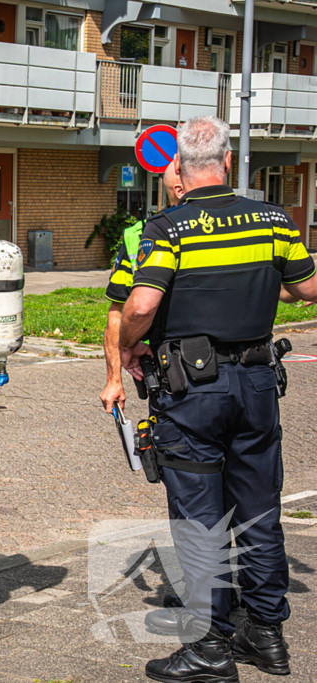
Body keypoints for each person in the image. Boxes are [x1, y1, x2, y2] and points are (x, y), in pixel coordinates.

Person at [119, 116, 317, 682]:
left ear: (179, 168)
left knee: (200, 519)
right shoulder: (274, 219)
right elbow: (307, 287)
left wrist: (129, 345)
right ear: (228, 161)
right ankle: (266, 635)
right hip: (257, 384)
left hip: (193, 391)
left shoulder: (169, 227)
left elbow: (141, 304)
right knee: (259, 511)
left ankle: (209, 647)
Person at [100, 163, 184, 412]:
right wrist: (113, 379)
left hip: (180, 369)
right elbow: (118, 311)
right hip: (174, 368)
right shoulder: (140, 235)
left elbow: (128, 312)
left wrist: (118, 369)